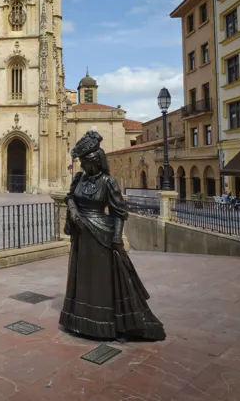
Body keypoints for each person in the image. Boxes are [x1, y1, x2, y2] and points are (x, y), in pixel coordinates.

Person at [60, 130, 165, 342]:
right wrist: (73, 212)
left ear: (95, 162)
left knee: (101, 282)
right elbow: (70, 198)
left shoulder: (108, 182)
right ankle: (80, 320)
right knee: (83, 279)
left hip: (101, 236)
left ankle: (103, 323)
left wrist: (117, 237)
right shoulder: (79, 179)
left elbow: (118, 212)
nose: (81, 166)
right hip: (83, 236)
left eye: (84, 162)